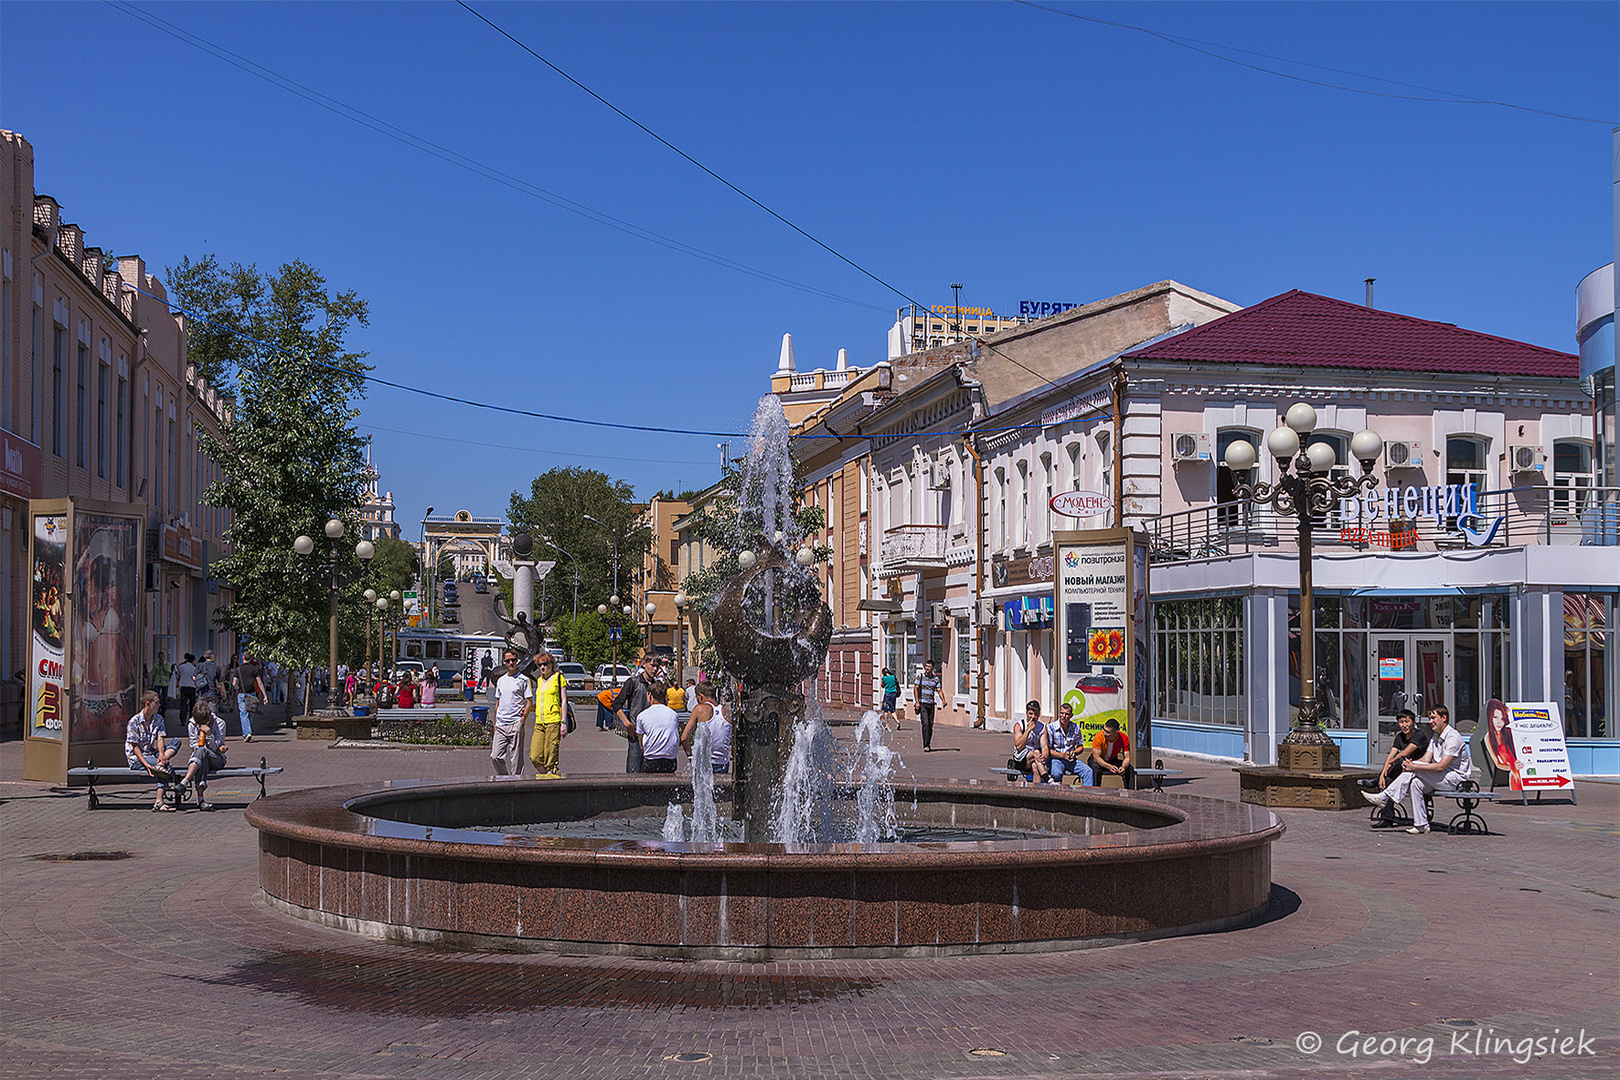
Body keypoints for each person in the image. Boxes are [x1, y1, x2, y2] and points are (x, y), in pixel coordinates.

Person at [1364, 705, 1473, 834]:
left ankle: (1384, 797)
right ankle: (1421, 824)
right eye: (1429, 718)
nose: (1430, 721)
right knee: (1416, 783)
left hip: (1457, 779)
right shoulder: (1435, 737)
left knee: (1414, 771)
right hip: (1443, 777)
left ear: (1444, 718)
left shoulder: (1452, 737)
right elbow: (1426, 759)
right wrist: (1412, 763)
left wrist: (1414, 767)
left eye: (1433, 718)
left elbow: (1441, 766)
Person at [124, 690, 182, 811]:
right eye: (156, 702)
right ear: (147, 704)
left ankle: (160, 764)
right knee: (167, 768)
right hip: (137, 758)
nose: (159, 705)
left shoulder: (158, 719)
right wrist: (148, 766)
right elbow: (135, 748)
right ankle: (159, 802)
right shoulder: (134, 722)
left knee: (176, 741)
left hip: (151, 752)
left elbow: (160, 738)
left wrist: (161, 754)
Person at [613, 653, 660, 774]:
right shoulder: (633, 682)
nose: (655, 669)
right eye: (652, 665)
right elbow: (617, 704)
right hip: (636, 734)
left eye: (657, 666)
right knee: (634, 771)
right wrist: (627, 724)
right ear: (644, 664)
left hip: (653, 735)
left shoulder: (657, 686)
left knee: (653, 773)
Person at [178, 700, 229, 811]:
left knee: (202, 752)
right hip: (201, 759)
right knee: (202, 758)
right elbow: (194, 745)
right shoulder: (192, 724)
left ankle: (185, 782)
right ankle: (201, 801)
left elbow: (216, 748)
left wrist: (209, 734)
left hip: (217, 759)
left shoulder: (220, 723)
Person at [490, 651, 533, 776]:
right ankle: (505, 778)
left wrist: (522, 720)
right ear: (504, 662)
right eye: (508, 661)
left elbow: (529, 702)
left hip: (516, 723)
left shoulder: (523, 680)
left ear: (517, 661)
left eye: (513, 660)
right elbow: (498, 703)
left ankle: (516, 784)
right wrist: (495, 723)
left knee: (516, 761)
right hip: (501, 725)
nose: (511, 663)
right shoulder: (501, 680)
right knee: (495, 756)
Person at [528, 653, 568, 778]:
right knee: (534, 756)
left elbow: (564, 701)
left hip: (553, 721)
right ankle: (549, 777)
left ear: (552, 664)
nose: (543, 667)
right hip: (539, 722)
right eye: (540, 665)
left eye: (545, 664)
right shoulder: (539, 680)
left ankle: (551, 779)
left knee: (551, 757)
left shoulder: (558, 677)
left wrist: (563, 723)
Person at [681, 679, 732, 774]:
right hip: (723, 763)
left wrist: (691, 756)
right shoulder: (727, 713)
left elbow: (684, 738)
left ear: (700, 696)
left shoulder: (699, 709)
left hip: (704, 762)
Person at [1042, 702, 1095, 785]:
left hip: (1071, 759)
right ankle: (1057, 794)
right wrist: (1062, 755)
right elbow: (1049, 751)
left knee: (1088, 771)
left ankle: (1086, 795)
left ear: (1071, 715)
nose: (1064, 716)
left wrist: (1073, 753)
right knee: (1056, 773)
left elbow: (1080, 747)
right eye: (1062, 713)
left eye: (1067, 714)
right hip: (1057, 758)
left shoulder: (1076, 728)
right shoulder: (1051, 728)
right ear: (1059, 713)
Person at [636, 680, 682, 773]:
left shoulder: (642, 716)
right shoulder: (673, 715)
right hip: (670, 758)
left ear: (649, 695)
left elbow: (640, 742)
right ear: (665, 697)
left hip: (651, 758)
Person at [1088, 718, 1136, 788]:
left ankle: (1130, 793)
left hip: (1112, 760)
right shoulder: (1099, 736)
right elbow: (1096, 758)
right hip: (1098, 760)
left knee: (1130, 768)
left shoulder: (1123, 738)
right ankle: (1095, 792)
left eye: (1108, 732)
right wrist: (1109, 766)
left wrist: (1123, 767)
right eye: (1104, 729)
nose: (1104, 733)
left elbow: (1127, 757)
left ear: (1116, 732)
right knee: (1096, 768)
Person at [1481, 698, 1518, 787]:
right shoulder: (1488, 737)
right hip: (1513, 770)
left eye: (1502, 719)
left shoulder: (1508, 732)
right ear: (1490, 718)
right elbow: (1497, 764)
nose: (1499, 722)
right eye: (1495, 717)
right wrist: (1514, 768)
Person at [1010, 700, 1048, 782]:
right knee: (1036, 752)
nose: (1033, 717)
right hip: (1021, 758)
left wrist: (1043, 757)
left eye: (1036, 714)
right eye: (1031, 714)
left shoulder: (1042, 727)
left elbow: (1044, 746)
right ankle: (1047, 779)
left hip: (1035, 759)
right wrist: (1028, 730)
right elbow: (1019, 746)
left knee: (1035, 767)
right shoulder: (1019, 725)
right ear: (1027, 713)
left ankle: (1035, 792)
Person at [234, 653, 266, 742]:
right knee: (250, 713)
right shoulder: (254, 669)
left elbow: (234, 683)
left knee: (243, 713)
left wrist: (237, 685)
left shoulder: (238, 669)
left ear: (243, 658)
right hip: (251, 694)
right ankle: (247, 731)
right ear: (250, 658)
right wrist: (265, 695)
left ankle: (247, 733)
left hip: (242, 694)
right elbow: (259, 682)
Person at [914, 660, 942, 751]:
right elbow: (915, 689)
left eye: (929, 666)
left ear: (933, 668)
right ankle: (925, 745)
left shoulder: (936, 679)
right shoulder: (920, 677)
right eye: (926, 666)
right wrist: (917, 702)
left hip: (931, 704)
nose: (927, 668)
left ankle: (928, 743)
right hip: (923, 703)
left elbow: (939, 690)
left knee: (930, 724)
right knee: (925, 723)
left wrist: (943, 700)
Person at [175, 653, 198, 720]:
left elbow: (179, 676)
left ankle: (182, 719)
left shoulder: (181, 667)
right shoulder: (194, 668)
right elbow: (195, 679)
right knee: (192, 704)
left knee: (183, 703)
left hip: (183, 687)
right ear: (193, 661)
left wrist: (177, 683)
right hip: (192, 687)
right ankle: (191, 718)